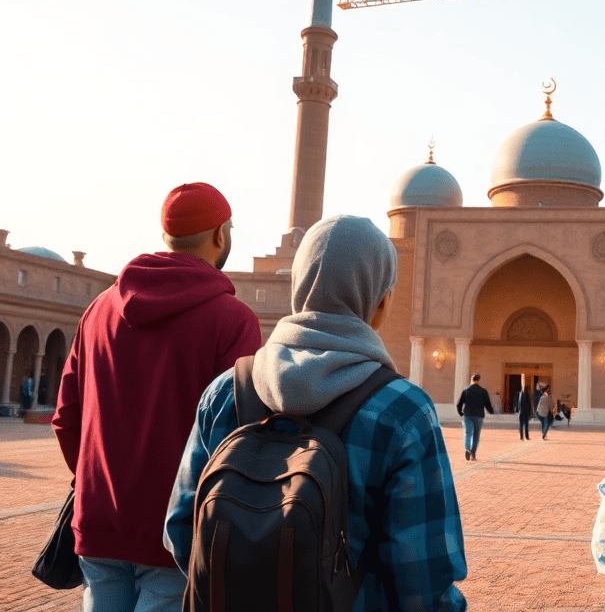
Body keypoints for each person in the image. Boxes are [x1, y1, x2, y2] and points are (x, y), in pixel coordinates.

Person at [165, 215, 466, 611]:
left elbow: (182, 530)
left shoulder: (226, 392)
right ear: (381, 301)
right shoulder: (403, 412)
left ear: (298, 288)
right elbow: (423, 579)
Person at [53, 182, 263, 612]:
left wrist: (101, 485)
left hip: (99, 523)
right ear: (221, 235)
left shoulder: (100, 310)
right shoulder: (233, 320)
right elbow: (238, 436)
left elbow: (66, 415)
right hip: (177, 531)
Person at [457, 373, 495, 461]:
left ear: (471, 380)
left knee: (468, 433)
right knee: (476, 435)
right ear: (478, 380)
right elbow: (487, 404)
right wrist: (491, 411)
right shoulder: (483, 391)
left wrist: (461, 413)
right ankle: (473, 453)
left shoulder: (466, 391)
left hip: (468, 415)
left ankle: (467, 448)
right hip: (479, 416)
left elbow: (459, 404)